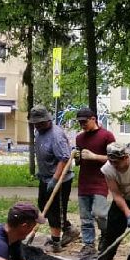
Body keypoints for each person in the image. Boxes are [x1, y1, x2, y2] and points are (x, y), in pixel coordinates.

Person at [30, 107, 77, 251]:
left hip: (60, 180)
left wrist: (55, 180)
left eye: (40, 123)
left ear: (48, 120)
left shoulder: (56, 135)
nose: (37, 126)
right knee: (43, 205)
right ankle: (68, 229)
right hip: (45, 177)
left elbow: (64, 158)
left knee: (55, 209)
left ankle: (56, 243)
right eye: (35, 123)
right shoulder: (39, 132)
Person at [72, 107, 115, 254]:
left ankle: (106, 235)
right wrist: (77, 158)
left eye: (84, 122)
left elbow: (114, 159)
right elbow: (79, 162)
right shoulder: (79, 138)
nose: (82, 125)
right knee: (85, 217)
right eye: (80, 123)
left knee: (100, 214)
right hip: (84, 182)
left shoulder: (107, 136)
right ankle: (89, 245)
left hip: (101, 181)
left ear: (93, 119)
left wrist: (95, 157)